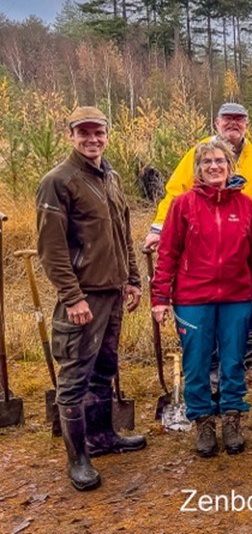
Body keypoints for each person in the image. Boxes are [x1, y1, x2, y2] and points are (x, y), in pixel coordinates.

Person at [35, 106, 146, 491]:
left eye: (98, 132)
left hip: (113, 293)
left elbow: (122, 231)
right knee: (74, 378)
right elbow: (52, 250)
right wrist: (72, 297)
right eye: (84, 133)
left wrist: (132, 279)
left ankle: (103, 438)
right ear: (71, 135)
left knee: (104, 370)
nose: (92, 139)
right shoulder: (59, 181)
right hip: (83, 299)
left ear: (107, 134)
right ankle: (78, 458)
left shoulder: (110, 175)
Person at [150, 140, 252, 457]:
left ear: (230, 167)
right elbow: (168, 255)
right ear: (198, 169)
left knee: (233, 362)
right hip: (193, 298)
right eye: (207, 163)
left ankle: (231, 418)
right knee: (197, 363)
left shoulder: (245, 206)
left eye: (220, 161)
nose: (214, 167)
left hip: (237, 297)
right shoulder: (183, 205)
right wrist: (160, 297)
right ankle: (203, 422)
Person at [144, 102, 252, 251]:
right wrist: (158, 229)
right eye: (227, 118)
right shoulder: (199, 153)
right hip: (204, 244)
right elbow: (176, 192)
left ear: (247, 124)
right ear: (217, 123)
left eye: (239, 119)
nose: (233, 123)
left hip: (246, 247)